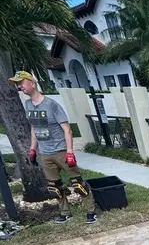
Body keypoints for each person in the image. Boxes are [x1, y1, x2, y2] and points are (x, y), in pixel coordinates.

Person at [9, 71, 97, 224]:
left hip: (61, 151)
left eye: (21, 83)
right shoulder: (28, 104)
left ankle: (91, 211)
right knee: (54, 187)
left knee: (78, 184)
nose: (19, 87)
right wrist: (32, 149)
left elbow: (67, 129)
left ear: (32, 83)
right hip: (45, 153)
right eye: (17, 84)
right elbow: (34, 129)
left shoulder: (51, 104)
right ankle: (65, 212)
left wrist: (69, 152)